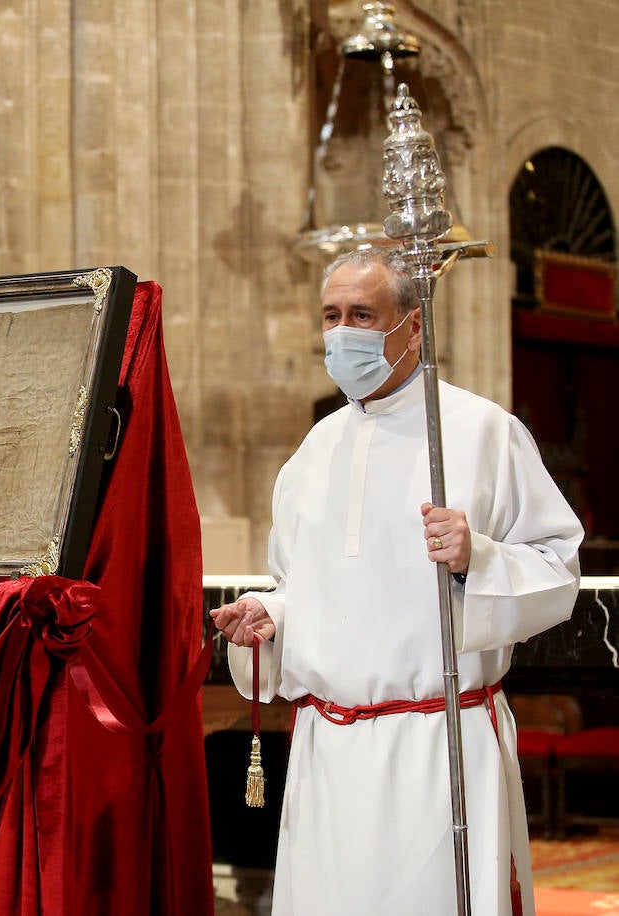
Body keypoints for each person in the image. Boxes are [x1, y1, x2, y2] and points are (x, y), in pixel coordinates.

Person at [210, 246, 582, 916]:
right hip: (329, 754)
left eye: (361, 314)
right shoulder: (311, 455)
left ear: (413, 327)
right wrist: (270, 616)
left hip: (436, 751)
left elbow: (558, 567)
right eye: (331, 315)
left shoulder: (480, 433)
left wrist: (480, 558)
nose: (342, 332)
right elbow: (305, 588)